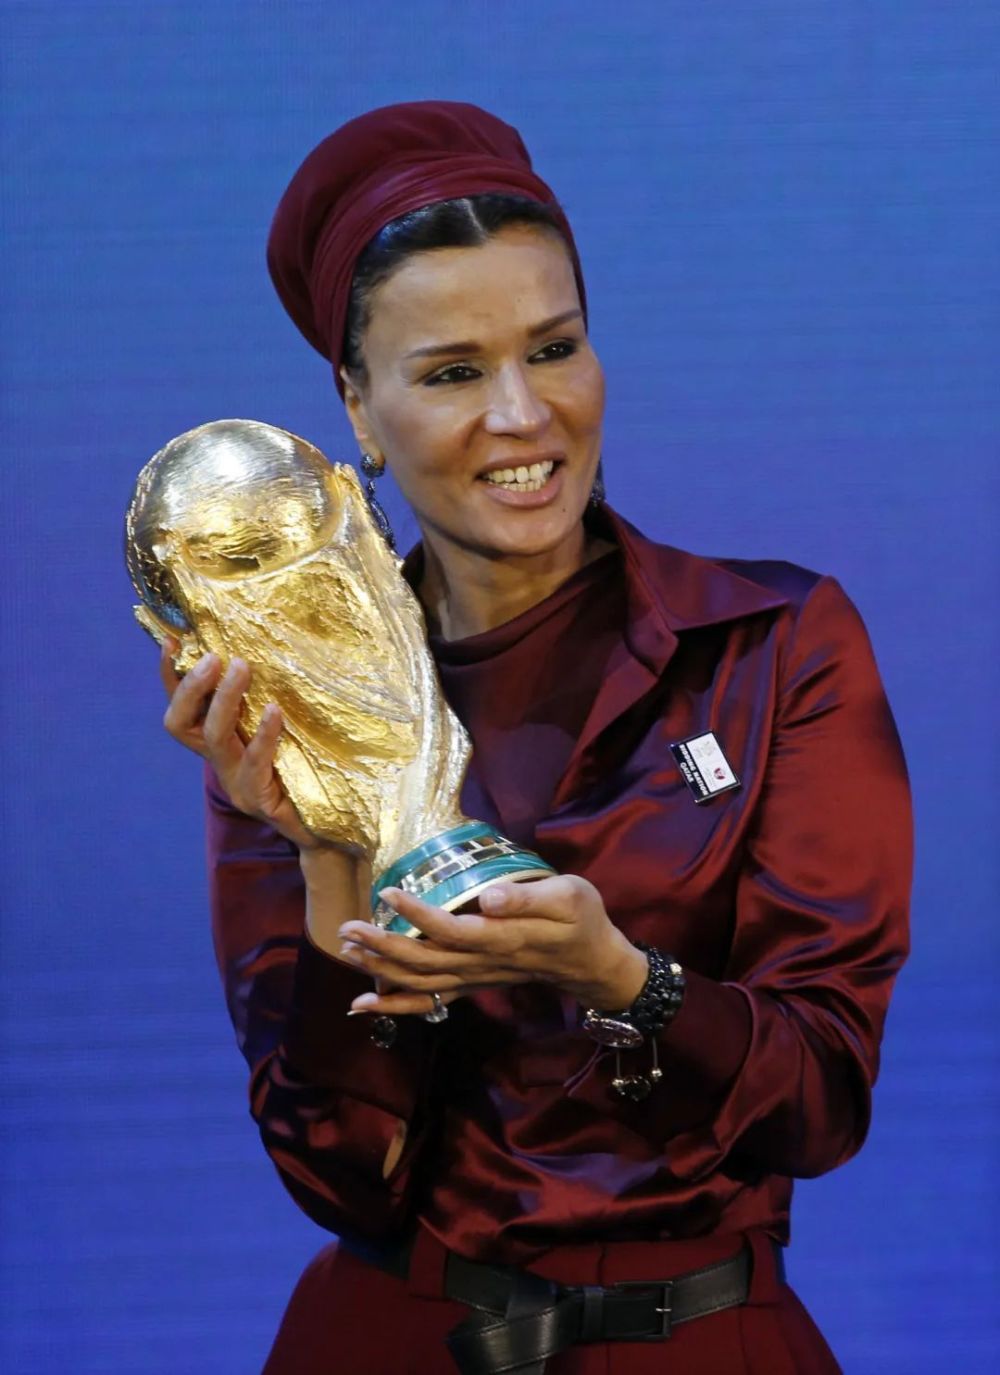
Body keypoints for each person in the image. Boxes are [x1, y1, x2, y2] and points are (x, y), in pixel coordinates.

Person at [160, 102, 912, 1374]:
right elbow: (335, 1173)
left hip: (704, 1339)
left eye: (553, 348)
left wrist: (623, 978)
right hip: (398, 1338)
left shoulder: (771, 645)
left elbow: (823, 1102)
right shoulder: (295, 711)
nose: (522, 414)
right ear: (356, 408)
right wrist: (333, 853)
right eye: (452, 372)